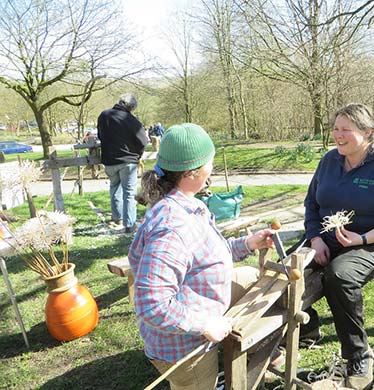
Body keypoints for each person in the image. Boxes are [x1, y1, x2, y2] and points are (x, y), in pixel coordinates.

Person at [128, 123, 275, 390]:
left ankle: (255, 356)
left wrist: (248, 243)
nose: (212, 165)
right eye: (210, 160)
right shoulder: (173, 226)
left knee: (253, 277)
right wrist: (205, 323)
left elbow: (207, 255)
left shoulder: (187, 202)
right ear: (193, 171)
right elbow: (152, 303)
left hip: (198, 302)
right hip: (184, 349)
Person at [304, 103, 374, 389]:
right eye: (335, 129)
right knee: (284, 272)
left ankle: (358, 355)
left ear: (367, 132)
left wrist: (361, 239)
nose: (338, 136)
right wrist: (316, 239)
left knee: (339, 276)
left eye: (346, 130)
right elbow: (312, 205)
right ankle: (306, 328)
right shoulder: (329, 161)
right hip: (328, 235)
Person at [97, 93, 148, 233]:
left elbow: (100, 136)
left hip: (109, 160)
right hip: (128, 161)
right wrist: (138, 155)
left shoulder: (104, 115)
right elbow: (143, 141)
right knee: (129, 192)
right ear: (131, 107)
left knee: (114, 187)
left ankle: (117, 217)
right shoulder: (132, 121)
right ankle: (130, 224)